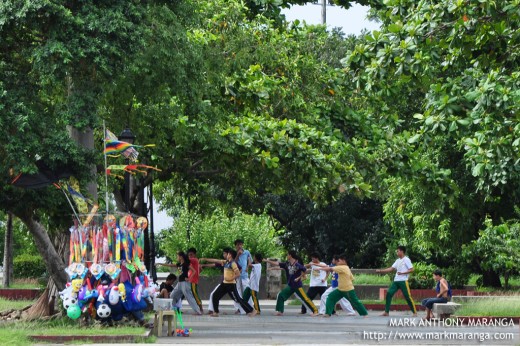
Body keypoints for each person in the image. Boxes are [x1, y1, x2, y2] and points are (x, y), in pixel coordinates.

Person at [264, 250, 318, 316]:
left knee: (305, 298)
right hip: (290, 286)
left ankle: (315, 311)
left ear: (290, 255)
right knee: (281, 295)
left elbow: (305, 270)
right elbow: (277, 263)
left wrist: (298, 278)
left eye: (287, 255)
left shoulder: (297, 265)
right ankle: (280, 311)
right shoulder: (287, 264)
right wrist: (267, 261)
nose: (287, 256)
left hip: (297, 286)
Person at [314, 253, 368, 317]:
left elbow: (330, 269)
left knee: (355, 302)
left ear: (344, 261)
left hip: (347, 290)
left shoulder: (342, 267)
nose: (338, 262)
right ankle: (328, 313)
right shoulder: (346, 268)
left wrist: (319, 269)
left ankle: (364, 314)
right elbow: (352, 278)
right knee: (330, 297)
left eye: (339, 261)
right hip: (340, 289)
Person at [206, 249, 257, 317]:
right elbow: (216, 260)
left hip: (231, 285)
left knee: (238, 299)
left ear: (231, 255)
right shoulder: (226, 262)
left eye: (228, 254)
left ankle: (252, 310)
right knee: (215, 295)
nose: (227, 255)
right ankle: (216, 312)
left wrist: (230, 278)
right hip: (224, 284)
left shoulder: (233, 263)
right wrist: (205, 259)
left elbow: (238, 274)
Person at [375, 245, 417, 316]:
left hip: (403, 281)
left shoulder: (406, 259)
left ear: (402, 251)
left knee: (407, 296)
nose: (397, 252)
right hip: (396, 281)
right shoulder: (397, 260)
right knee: (389, 294)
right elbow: (391, 269)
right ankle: (386, 312)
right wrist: (381, 271)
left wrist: (402, 273)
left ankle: (414, 312)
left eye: (398, 251)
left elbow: (412, 269)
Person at [200, 247, 232, 315]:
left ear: (229, 254)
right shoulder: (225, 262)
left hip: (228, 284)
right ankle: (213, 310)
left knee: (236, 298)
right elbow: (214, 264)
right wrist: (204, 265)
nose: (223, 255)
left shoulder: (228, 262)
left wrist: (205, 259)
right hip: (225, 283)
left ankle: (213, 310)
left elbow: (215, 260)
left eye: (224, 253)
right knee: (214, 295)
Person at [234, 239, 252, 314]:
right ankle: (238, 308)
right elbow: (234, 262)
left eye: (241, 244)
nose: (239, 246)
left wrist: (248, 267)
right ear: (235, 246)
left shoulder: (246, 252)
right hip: (237, 276)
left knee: (247, 291)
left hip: (244, 275)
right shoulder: (234, 253)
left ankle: (250, 307)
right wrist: (238, 254)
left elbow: (250, 260)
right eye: (238, 245)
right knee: (238, 293)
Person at [187, 247, 203, 313]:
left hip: (193, 280)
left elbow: (186, 260)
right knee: (192, 293)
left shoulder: (194, 260)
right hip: (190, 280)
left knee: (194, 293)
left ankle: (200, 307)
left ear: (194, 255)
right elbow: (200, 269)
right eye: (189, 255)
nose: (190, 256)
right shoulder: (194, 262)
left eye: (191, 255)